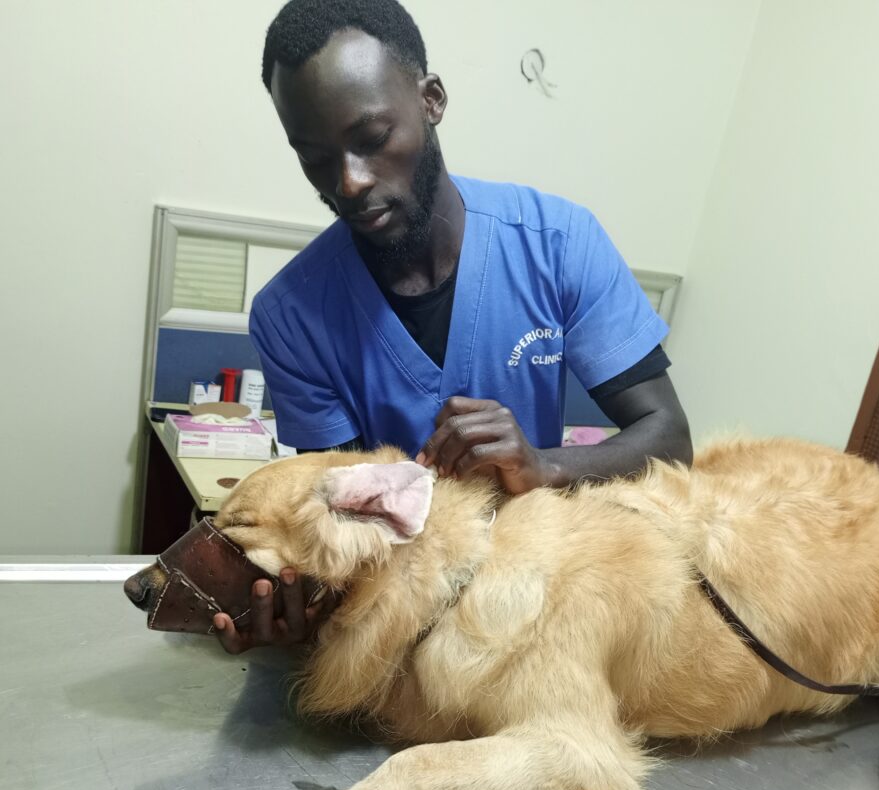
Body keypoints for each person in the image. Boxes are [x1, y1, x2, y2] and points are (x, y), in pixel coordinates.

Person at [214, 0, 693, 653]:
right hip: (398, 615)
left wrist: (544, 465)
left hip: (539, 602)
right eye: (316, 157)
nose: (349, 183)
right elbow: (341, 514)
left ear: (431, 99)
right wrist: (303, 606)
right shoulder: (292, 314)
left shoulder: (558, 243)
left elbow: (669, 437)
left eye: (373, 138)